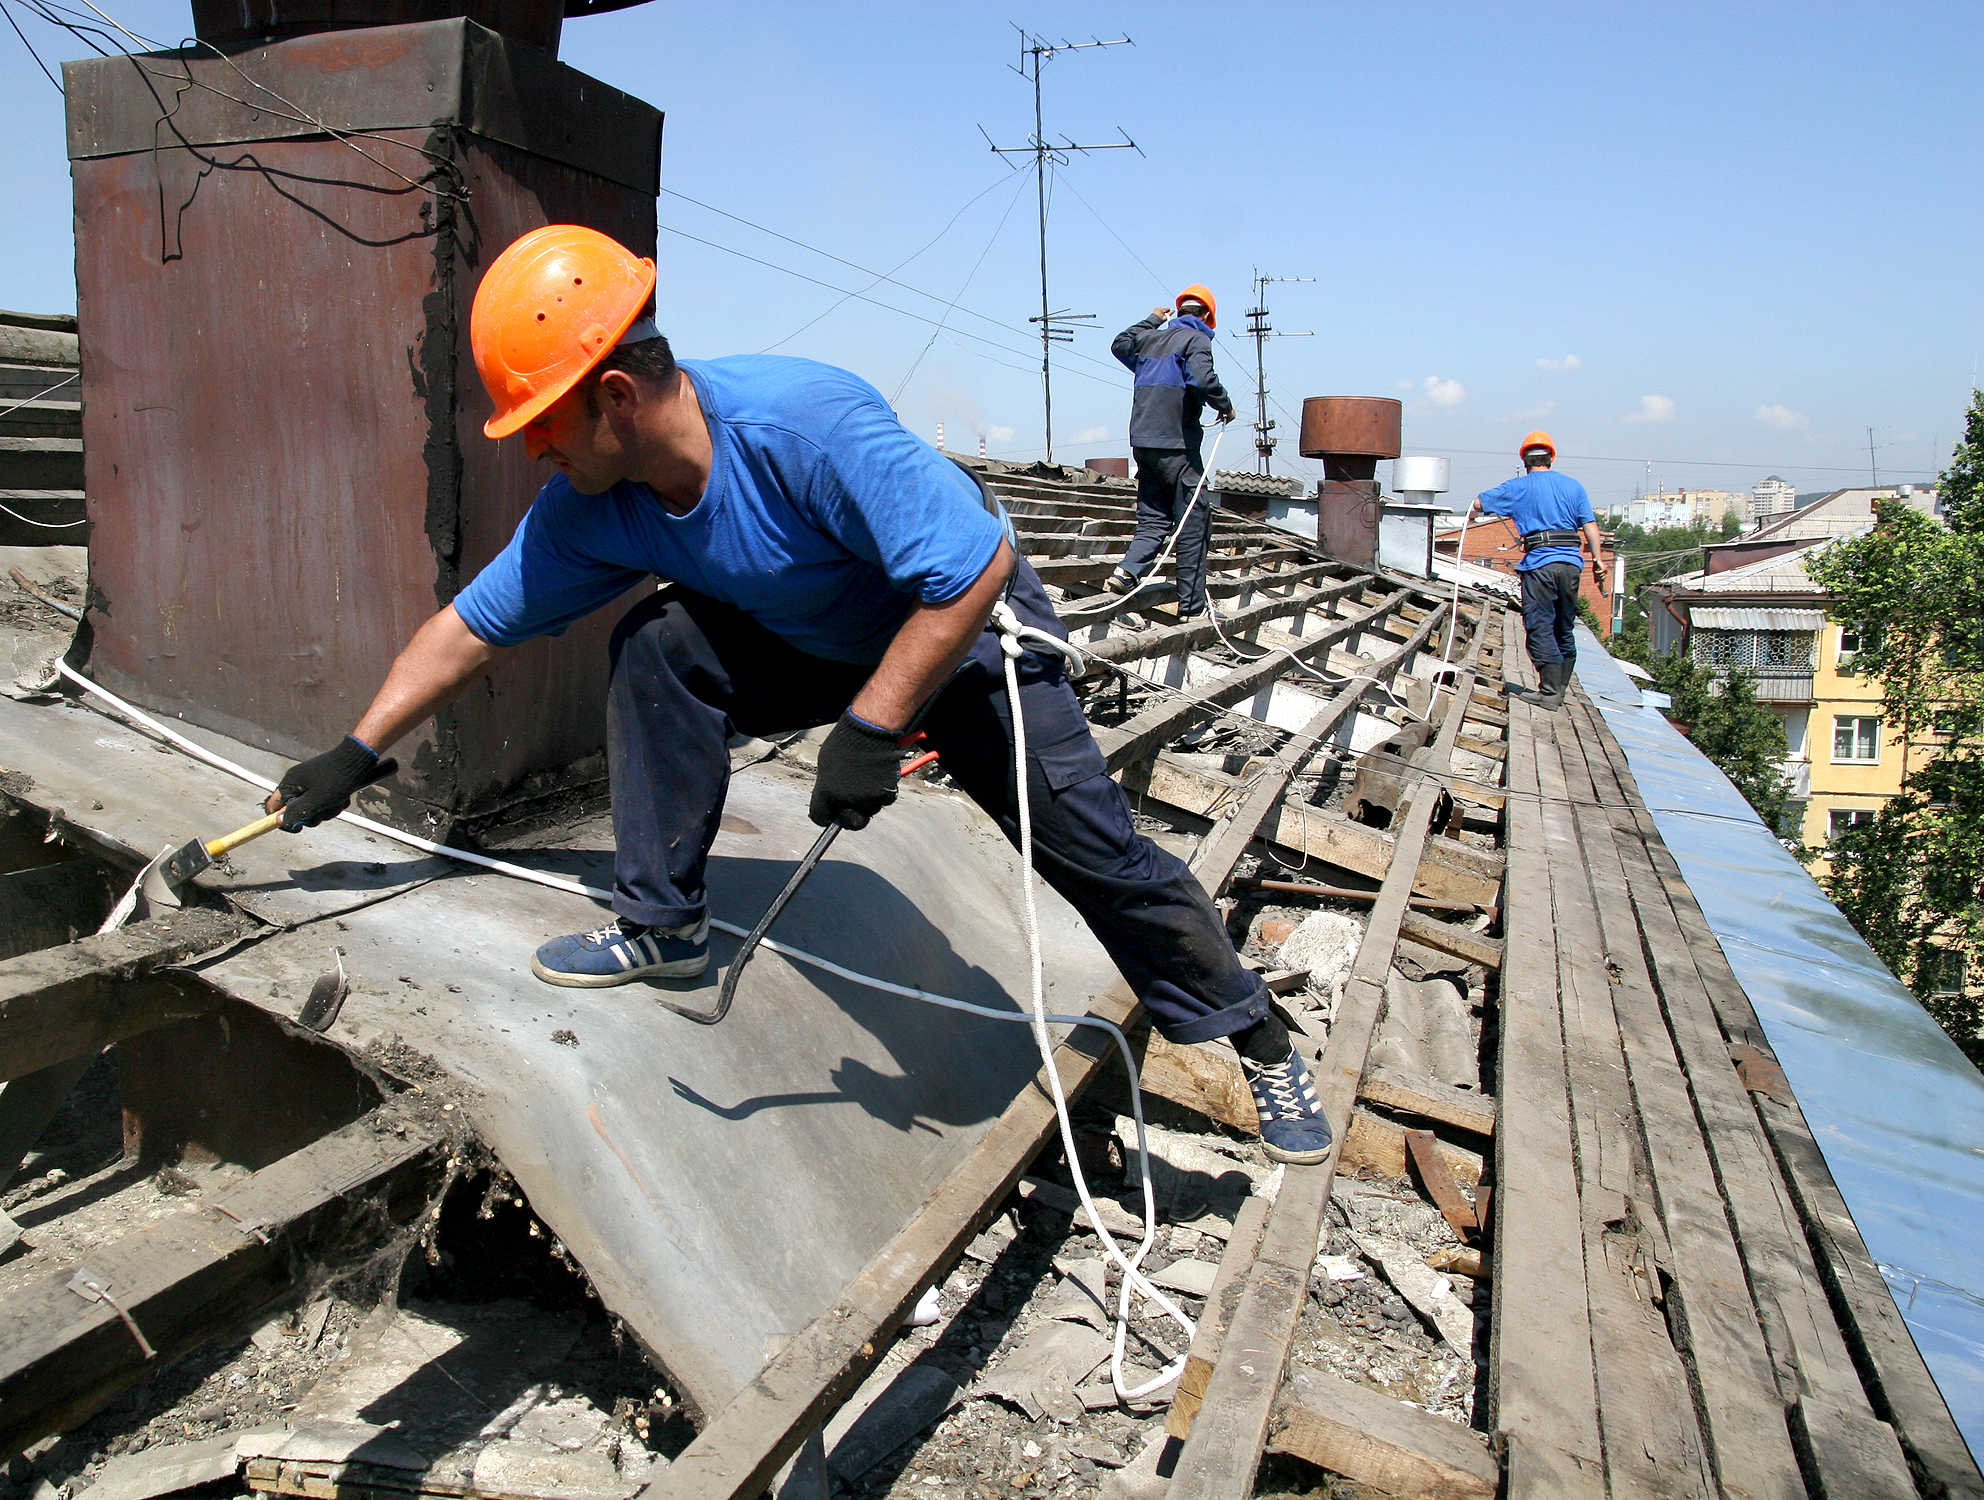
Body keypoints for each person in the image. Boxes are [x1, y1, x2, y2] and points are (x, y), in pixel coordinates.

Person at [263, 227, 1333, 1166]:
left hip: (965, 638)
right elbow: (467, 630)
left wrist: (873, 728)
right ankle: (662, 924)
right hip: (818, 642)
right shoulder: (592, 506)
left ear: (619, 397)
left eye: (544, 420)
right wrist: (356, 752)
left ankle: (1254, 1036)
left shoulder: (802, 423)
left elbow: (968, 574)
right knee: (661, 640)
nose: (535, 447)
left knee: (1092, 852)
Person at [1105, 286, 1236, 618]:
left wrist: (1151, 320)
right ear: (1206, 316)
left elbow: (1119, 343)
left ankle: (1127, 573)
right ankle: (1192, 608)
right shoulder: (1196, 340)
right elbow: (1203, 381)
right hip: (1177, 446)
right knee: (1193, 522)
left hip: (1143, 445)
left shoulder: (1151, 340)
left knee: (1154, 519)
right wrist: (1225, 405)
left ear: (1178, 313)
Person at [1467, 430, 1606, 711]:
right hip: (1570, 565)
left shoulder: (1520, 487)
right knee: (1563, 627)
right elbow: (1590, 526)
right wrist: (1599, 560)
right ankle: (1559, 689)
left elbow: (1479, 503)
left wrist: (1471, 514)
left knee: (1539, 625)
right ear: (1551, 457)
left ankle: (1550, 693)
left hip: (1540, 565)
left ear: (1525, 459)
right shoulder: (1574, 487)